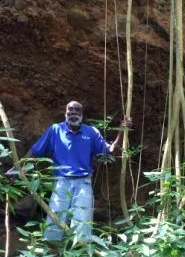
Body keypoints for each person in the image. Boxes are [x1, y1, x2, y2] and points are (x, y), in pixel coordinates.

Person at [20, 101, 130, 243]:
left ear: (82, 114)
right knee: (55, 218)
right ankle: (52, 255)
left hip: (83, 182)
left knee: (83, 221)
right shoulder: (55, 130)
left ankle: (80, 255)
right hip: (61, 182)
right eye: (70, 109)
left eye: (77, 110)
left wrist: (122, 131)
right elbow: (36, 151)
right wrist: (20, 166)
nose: (73, 112)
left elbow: (109, 151)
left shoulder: (91, 132)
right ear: (65, 113)